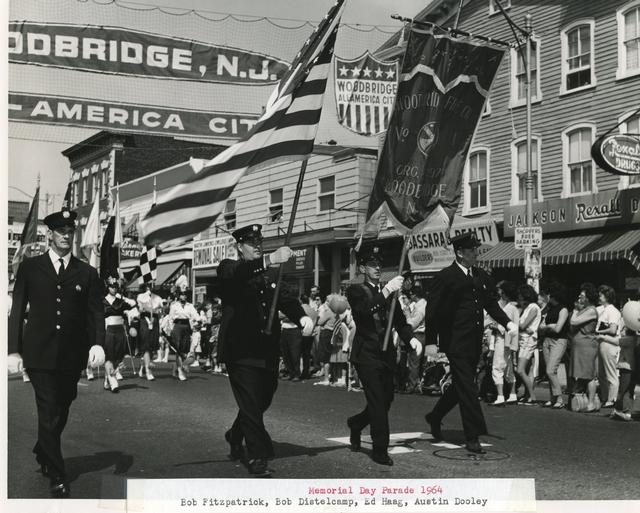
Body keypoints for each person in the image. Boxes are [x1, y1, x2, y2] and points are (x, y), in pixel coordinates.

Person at [7, 208, 105, 498]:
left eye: (69, 231)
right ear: (49, 234)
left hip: (71, 355)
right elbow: (16, 312)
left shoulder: (86, 272)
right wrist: (13, 350)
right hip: (39, 353)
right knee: (49, 409)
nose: (65, 235)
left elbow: (94, 311)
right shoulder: (30, 267)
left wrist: (97, 343)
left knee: (63, 406)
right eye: (60, 230)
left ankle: (43, 447)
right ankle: (57, 472)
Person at [217, 224, 312, 477]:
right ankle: (257, 455)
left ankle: (235, 434)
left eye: (259, 242)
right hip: (240, 349)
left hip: (267, 349)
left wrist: (302, 317)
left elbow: (286, 299)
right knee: (249, 400)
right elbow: (239, 273)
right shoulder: (228, 268)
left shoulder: (270, 276)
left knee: (262, 398)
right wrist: (270, 259)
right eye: (251, 243)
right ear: (239, 247)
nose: (257, 246)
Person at [424, 232, 517, 454]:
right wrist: (430, 342)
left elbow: (491, 305)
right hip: (454, 341)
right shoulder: (446, 276)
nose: (476, 253)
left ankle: (435, 416)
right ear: (460, 253)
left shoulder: (481, 276)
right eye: (472, 250)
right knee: (468, 386)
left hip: (474, 341)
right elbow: (432, 311)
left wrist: (507, 323)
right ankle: (472, 435)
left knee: (460, 386)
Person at [345, 244, 421, 466]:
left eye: (379, 264)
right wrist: (387, 291)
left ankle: (357, 424)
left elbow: (399, 322)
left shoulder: (390, 293)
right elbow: (363, 311)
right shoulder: (356, 290)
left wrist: (411, 338)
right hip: (366, 354)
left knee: (386, 400)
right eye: (372, 264)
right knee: (377, 401)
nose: (377, 268)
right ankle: (380, 449)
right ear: (362, 268)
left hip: (386, 354)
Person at [487, 280, 520, 406]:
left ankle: (500, 396)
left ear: (504, 294)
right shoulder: (514, 308)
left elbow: (502, 327)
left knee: (497, 367)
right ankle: (512, 394)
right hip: (510, 342)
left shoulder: (507, 308)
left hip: (502, 340)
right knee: (508, 368)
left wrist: (494, 326)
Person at [568, 283, 600, 412]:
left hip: (587, 346)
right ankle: (582, 399)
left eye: (582, 296)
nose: (579, 298)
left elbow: (574, 321)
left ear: (588, 297)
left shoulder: (591, 310)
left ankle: (591, 403)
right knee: (581, 374)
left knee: (588, 375)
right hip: (580, 346)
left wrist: (575, 311)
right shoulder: (585, 310)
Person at [538, 282, 569, 409]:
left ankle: (560, 398)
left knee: (550, 370)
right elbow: (541, 326)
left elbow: (558, 329)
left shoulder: (563, 309)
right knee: (551, 371)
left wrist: (548, 327)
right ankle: (553, 398)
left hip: (559, 341)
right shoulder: (549, 309)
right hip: (547, 341)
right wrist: (549, 327)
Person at [102, 276, 136, 393]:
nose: (114, 289)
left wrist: (122, 297)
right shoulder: (103, 301)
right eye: (112, 287)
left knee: (118, 356)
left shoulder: (120, 301)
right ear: (108, 287)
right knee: (109, 354)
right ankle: (113, 381)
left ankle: (108, 377)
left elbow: (133, 304)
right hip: (108, 329)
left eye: (116, 287)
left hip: (120, 330)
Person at [514, 284, 542, 404]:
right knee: (525, 369)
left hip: (528, 340)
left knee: (520, 370)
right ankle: (527, 395)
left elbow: (523, 325)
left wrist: (516, 324)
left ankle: (532, 395)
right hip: (524, 339)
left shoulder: (534, 307)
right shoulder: (528, 307)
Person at [595, 285, 622, 408]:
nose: (599, 297)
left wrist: (598, 332)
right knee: (601, 373)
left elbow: (612, 329)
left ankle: (612, 398)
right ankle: (605, 397)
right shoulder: (603, 309)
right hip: (602, 342)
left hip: (609, 343)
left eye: (601, 295)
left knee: (610, 372)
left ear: (607, 297)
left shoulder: (612, 311)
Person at [168, 289, 199, 381]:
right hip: (177, 326)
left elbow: (195, 314)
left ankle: (176, 368)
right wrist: (171, 329)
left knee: (185, 349)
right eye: (182, 295)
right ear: (179, 296)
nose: (183, 296)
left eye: (185, 295)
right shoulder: (174, 305)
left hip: (186, 327)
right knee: (178, 350)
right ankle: (180, 371)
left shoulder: (190, 306)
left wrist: (199, 319)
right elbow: (170, 318)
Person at [136, 283, 163, 380]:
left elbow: (160, 308)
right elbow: (140, 309)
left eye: (150, 287)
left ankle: (144, 364)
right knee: (146, 345)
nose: (149, 289)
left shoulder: (158, 298)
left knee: (152, 345)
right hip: (145, 320)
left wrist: (157, 309)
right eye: (147, 287)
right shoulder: (140, 297)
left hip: (154, 321)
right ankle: (148, 370)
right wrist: (144, 306)